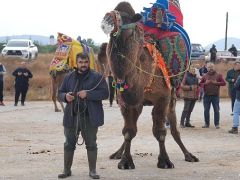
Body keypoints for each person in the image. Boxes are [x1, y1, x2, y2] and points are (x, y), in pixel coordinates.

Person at [58, 53, 109, 179]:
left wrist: (88, 94)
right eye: (81, 62)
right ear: (77, 63)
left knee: (91, 144)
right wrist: (65, 97)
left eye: (85, 62)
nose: (83, 65)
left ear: (89, 62)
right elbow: (60, 93)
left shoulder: (97, 77)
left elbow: (105, 93)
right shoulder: (69, 77)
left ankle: (92, 171)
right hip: (72, 116)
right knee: (69, 144)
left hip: (90, 117)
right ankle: (66, 170)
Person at [200, 62, 226, 129]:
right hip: (206, 96)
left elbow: (224, 83)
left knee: (216, 110)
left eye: (211, 67)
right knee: (206, 110)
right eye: (209, 67)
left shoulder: (219, 75)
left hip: (215, 96)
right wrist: (205, 84)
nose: (210, 68)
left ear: (214, 67)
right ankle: (206, 124)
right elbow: (200, 84)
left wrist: (216, 83)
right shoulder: (204, 76)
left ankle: (217, 124)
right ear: (207, 68)